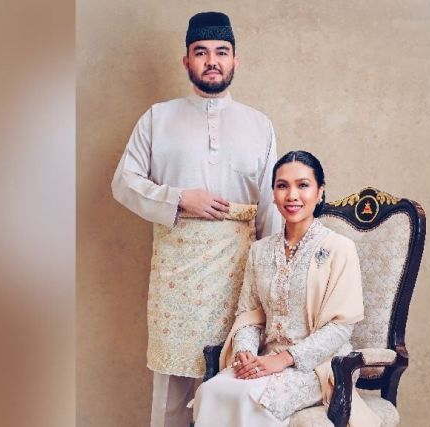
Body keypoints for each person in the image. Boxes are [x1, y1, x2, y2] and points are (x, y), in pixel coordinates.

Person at [111, 11, 282, 427]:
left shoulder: (259, 125)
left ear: (235, 60)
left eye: (221, 52)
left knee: (236, 379)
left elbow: (270, 208)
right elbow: (123, 181)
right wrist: (178, 198)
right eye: (201, 52)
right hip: (178, 272)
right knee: (171, 392)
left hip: (239, 274)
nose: (212, 61)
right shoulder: (158, 118)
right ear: (186, 60)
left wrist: (270, 282)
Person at [192, 151, 381, 427]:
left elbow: (341, 328)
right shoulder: (259, 251)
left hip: (320, 365)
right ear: (273, 193)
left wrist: (285, 359)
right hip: (264, 360)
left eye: (303, 185)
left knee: (252, 399)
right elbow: (249, 315)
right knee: (211, 391)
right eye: (282, 186)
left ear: (320, 192)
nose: (292, 195)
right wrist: (245, 353)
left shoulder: (339, 249)